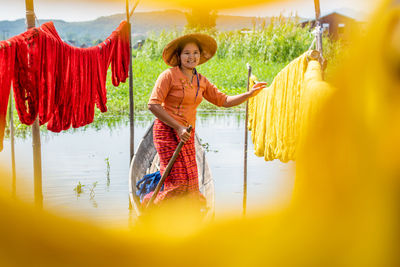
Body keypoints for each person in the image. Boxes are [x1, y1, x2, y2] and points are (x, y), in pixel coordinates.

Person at [145, 33, 266, 207]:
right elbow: (153, 105)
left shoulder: (201, 81)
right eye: (186, 53)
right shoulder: (168, 76)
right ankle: (157, 206)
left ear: (200, 57)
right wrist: (178, 127)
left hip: (185, 134)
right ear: (179, 56)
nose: (191, 57)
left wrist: (249, 94)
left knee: (191, 181)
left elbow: (223, 101)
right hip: (167, 131)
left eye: (195, 53)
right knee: (177, 180)